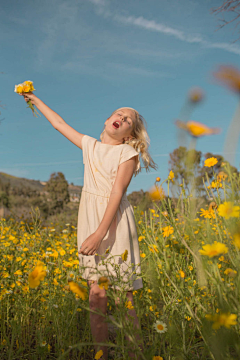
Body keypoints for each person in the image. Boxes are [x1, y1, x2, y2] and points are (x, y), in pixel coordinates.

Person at [20, 92, 157, 359]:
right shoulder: (90, 146)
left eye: (128, 119)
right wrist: (34, 100)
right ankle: (101, 355)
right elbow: (59, 124)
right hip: (92, 219)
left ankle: (135, 354)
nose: (122, 118)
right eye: (119, 113)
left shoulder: (127, 153)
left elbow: (116, 194)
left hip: (114, 224)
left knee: (122, 297)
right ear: (108, 120)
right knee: (96, 296)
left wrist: (99, 233)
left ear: (129, 135)